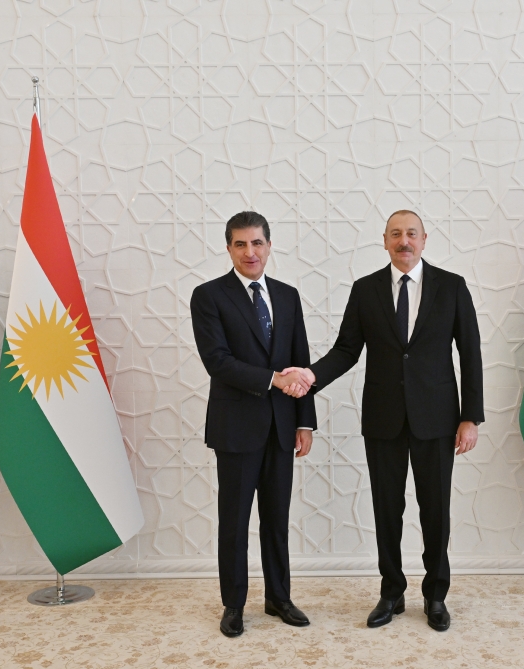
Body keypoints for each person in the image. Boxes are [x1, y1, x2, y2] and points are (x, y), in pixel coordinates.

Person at [283, 210, 483, 631]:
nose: (403, 241)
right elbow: (346, 350)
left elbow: (470, 353)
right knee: (387, 510)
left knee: (436, 511)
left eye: (411, 234)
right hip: (383, 418)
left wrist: (471, 417)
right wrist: (310, 377)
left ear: (424, 239)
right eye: (396, 234)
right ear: (385, 240)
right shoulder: (366, 289)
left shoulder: (451, 286)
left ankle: (435, 595)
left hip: (437, 419)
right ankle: (391, 592)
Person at [190, 211, 316, 638]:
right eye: (241, 244)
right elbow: (217, 361)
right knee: (235, 521)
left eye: (257, 243)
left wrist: (305, 423)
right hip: (236, 428)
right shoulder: (209, 296)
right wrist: (273, 379)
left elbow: (300, 361)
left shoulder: (287, 295)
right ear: (228, 248)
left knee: (277, 520)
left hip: (282, 427)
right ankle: (234, 604)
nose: (250, 252)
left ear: (269, 245)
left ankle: (279, 598)